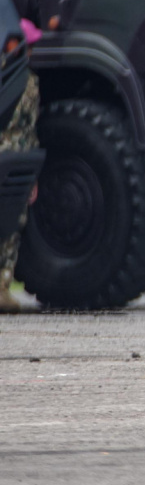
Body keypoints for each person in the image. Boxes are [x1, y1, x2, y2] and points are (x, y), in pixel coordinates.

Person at [0, 20, 42, 314]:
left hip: (16, 156)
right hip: (12, 156)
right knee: (9, 221)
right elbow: (24, 127)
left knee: (12, 220)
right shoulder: (20, 79)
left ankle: (3, 285)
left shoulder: (19, 77)